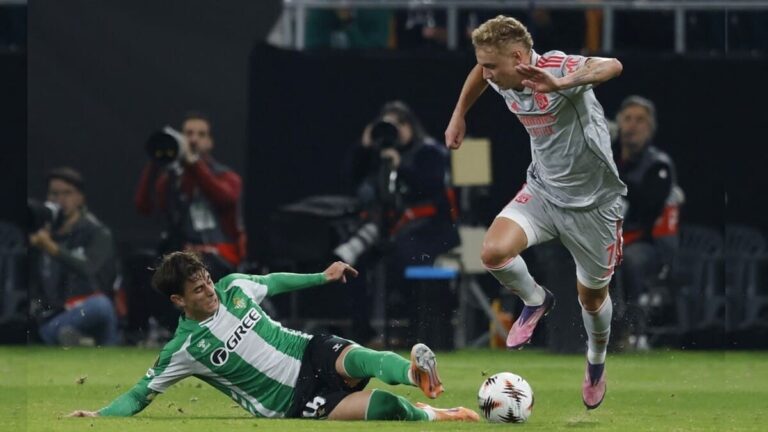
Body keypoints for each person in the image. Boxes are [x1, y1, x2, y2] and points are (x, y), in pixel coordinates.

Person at [444, 15, 625, 409]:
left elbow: (612, 65)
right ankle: (535, 299)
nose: (486, 73)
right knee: (493, 252)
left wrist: (563, 84)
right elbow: (478, 71)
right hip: (543, 191)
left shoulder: (556, 67)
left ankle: (596, 361)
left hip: (594, 204)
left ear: (518, 56)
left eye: (493, 65)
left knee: (592, 299)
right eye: (484, 64)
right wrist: (460, 114)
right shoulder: (497, 72)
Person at [66, 251, 478, 422]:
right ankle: (437, 415)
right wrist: (100, 417)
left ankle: (418, 374)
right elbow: (140, 394)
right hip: (290, 401)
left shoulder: (234, 287)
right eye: (198, 289)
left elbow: (274, 282)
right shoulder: (185, 347)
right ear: (178, 300)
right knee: (385, 407)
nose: (209, 290)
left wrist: (322, 275)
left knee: (361, 357)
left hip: (306, 350)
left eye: (207, 280)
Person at [336, 101, 460, 344]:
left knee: (400, 262)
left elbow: (431, 186)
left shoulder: (429, 151)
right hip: (387, 230)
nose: (395, 131)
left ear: (411, 125)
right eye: (388, 125)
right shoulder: (377, 154)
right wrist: (364, 147)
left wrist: (400, 166)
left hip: (428, 232)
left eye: (400, 124)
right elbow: (349, 178)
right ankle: (364, 335)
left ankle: (409, 335)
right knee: (351, 267)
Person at [135, 111, 246, 277]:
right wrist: (156, 161)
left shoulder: (226, 177)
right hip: (181, 255)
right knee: (140, 269)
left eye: (201, 135)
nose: (194, 140)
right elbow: (144, 207)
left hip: (218, 256)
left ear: (210, 142)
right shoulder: (171, 180)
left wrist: (194, 164)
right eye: (188, 134)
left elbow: (225, 198)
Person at [614, 95, 683, 350]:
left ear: (650, 128)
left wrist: (611, 179)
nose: (632, 126)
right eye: (628, 119)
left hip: (646, 241)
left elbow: (645, 208)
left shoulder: (659, 165)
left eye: (640, 120)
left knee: (632, 259)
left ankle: (634, 329)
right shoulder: (608, 158)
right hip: (607, 236)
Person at [29, 167, 118, 346]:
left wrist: (52, 248)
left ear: (80, 198)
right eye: (54, 194)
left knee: (101, 306)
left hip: (86, 308)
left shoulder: (97, 232)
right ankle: (70, 338)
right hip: (53, 314)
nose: (60, 200)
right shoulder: (42, 233)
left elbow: (89, 268)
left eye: (67, 193)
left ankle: (58, 337)